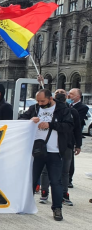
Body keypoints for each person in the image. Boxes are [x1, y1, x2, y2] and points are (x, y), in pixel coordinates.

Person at [20, 89, 73, 221]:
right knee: (31, 179)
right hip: (37, 151)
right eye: (38, 100)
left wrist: (50, 125)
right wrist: (30, 120)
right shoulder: (35, 108)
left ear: (50, 98)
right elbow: (20, 119)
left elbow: (68, 126)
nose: (40, 103)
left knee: (56, 181)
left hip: (54, 151)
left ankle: (57, 208)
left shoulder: (62, 109)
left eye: (42, 101)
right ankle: (26, 205)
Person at [39, 89, 80, 207]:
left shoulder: (71, 112)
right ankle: (47, 192)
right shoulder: (51, 111)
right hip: (54, 144)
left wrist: (78, 144)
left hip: (66, 145)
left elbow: (76, 129)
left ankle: (60, 194)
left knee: (61, 171)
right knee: (53, 170)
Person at [67, 87, 88, 188]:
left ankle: (69, 179)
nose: (69, 95)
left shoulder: (82, 107)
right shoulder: (67, 105)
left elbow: (76, 124)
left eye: (71, 94)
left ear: (78, 96)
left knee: (70, 160)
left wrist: (78, 144)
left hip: (72, 136)